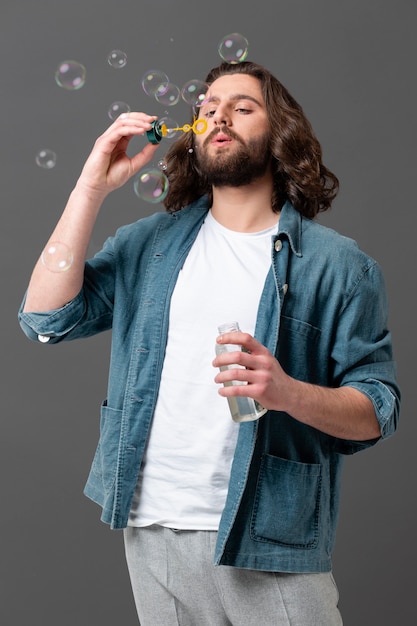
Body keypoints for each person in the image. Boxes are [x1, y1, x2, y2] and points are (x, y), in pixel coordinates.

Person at [18, 60, 400, 625]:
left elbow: (379, 411)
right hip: (152, 531)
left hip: (269, 538)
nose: (219, 115)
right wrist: (91, 184)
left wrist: (289, 393)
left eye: (243, 108)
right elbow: (45, 318)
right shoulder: (148, 245)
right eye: (207, 108)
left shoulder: (338, 266)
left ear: (281, 133)